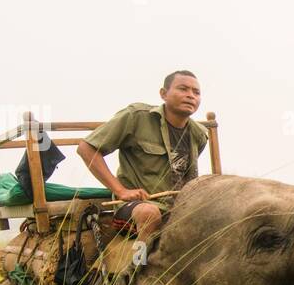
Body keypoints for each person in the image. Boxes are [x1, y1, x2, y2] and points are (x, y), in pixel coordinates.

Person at [77, 70, 208, 242]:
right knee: (149, 214)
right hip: (137, 208)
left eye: (196, 92)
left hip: (179, 209)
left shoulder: (199, 134)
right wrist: (120, 191)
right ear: (163, 94)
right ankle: (139, 265)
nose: (190, 95)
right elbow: (86, 148)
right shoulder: (136, 117)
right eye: (183, 89)